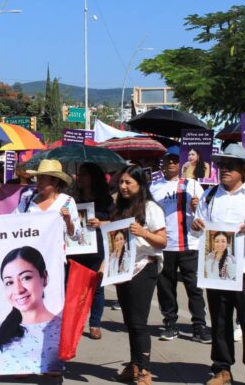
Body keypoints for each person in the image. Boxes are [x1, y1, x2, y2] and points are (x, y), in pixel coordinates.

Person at [191, 143, 245, 385]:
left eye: (230, 166)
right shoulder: (209, 196)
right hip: (216, 271)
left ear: (243, 170)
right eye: (221, 166)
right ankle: (222, 369)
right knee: (219, 321)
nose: (224, 170)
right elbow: (199, 232)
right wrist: (196, 226)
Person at [110, 165, 167, 385]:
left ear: (140, 185)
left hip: (144, 266)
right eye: (121, 182)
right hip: (123, 268)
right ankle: (134, 364)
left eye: (128, 183)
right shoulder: (120, 207)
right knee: (129, 321)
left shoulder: (151, 207)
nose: (123, 187)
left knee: (138, 321)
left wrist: (143, 232)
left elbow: (162, 241)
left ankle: (145, 371)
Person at [150, 146, 211, 344]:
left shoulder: (193, 185)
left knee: (194, 288)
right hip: (165, 244)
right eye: (168, 160)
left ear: (181, 163)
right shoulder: (154, 186)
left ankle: (199, 325)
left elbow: (205, 215)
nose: (171, 164)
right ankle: (170, 323)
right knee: (166, 288)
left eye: (175, 160)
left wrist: (197, 206)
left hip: (190, 243)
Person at [0, 246, 62, 375]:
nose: (18, 290)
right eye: (9, 282)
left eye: (26, 278)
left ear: (44, 277)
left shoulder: (62, 328)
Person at [71, 162, 113, 341]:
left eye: (84, 174)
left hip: (97, 248)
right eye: (79, 174)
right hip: (76, 248)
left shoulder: (106, 199)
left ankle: (95, 323)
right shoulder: (72, 198)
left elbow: (116, 223)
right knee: (74, 288)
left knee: (97, 288)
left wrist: (100, 223)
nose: (80, 177)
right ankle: (75, 323)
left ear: (93, 177)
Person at [14, 159, 78, 241]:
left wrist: (68, 222)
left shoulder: (67, 202)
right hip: (30, 252)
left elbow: (75, 237)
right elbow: (13, 222)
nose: (38, 182)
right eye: (38, 178)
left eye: (42, 178)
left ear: (55, 181)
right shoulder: (27, 200)